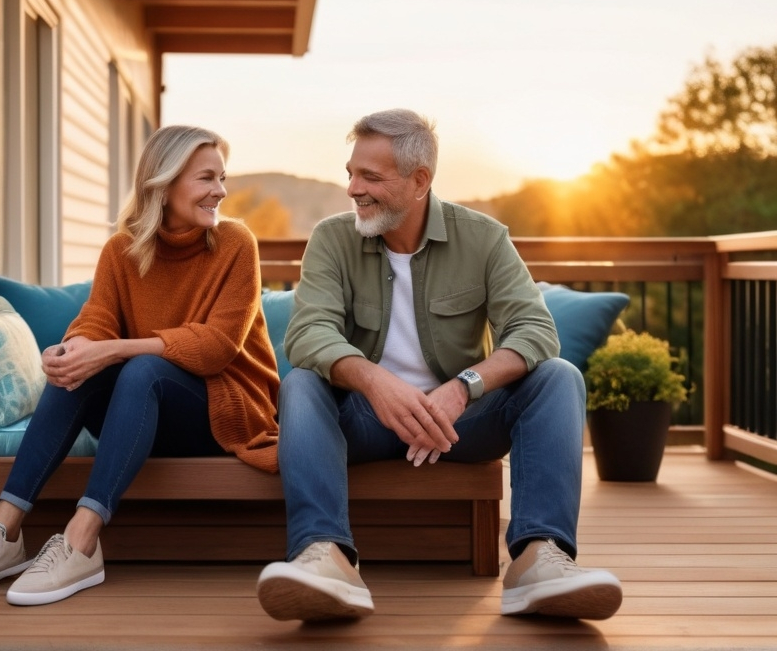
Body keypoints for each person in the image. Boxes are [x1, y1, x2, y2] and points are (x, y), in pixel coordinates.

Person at [255, 109, 623, 623]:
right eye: (351, 173)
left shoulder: (485, 238)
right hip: (366, 421)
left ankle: (539, 560)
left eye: (371, 177)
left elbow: (536, 331)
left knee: (559, 376)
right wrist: (375, 381)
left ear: (419, 180)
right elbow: (308, 332)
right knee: (302, 386)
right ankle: (325, 558)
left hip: (460, 426)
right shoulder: (331, 239)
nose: (353, 188)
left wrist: (462, 389)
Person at [0, 125, 280, 606]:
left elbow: (216, 348)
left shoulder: (235, 243)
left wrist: (117, 349)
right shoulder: (122, 251)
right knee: (84, 366)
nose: (221, 191)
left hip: (223, 410)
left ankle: (81, 540)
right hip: (138, 415)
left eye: (222, 178)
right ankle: (4, 528)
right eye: (207, 178)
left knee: (138, 368)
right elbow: (98, 320)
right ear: (163, 185)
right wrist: (71, 351)